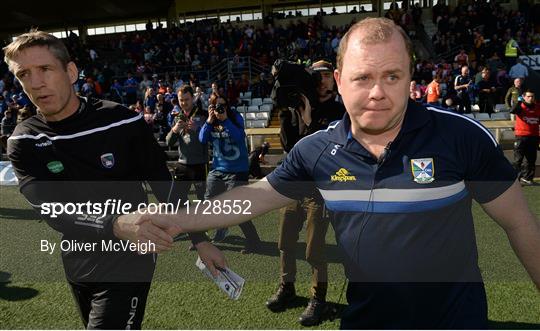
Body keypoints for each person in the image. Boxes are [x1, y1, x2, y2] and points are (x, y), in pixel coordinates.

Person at [141, 18, 540, 329]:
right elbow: (257, 196)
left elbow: (521, 225)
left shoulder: (461, 137)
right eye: (363, 77)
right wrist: (177, 219)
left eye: (392, 76)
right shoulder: (317, 150)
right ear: (338, 79)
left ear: (410, 77)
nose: (377, 92)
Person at [4, 30, 225, 329]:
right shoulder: (24, 140)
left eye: (45, 69)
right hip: (78, 257)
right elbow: (51, 209)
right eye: (24, 74)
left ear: (70, 72)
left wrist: (200, 238)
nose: (36, 82)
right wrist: (114, 224)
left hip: (131, 256)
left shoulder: (122, 121)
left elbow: (163, 183)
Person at [269, 59, 345, 326]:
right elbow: (289, 145)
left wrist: (311, 120)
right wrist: (297, 113)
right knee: (285, 243)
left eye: (326, 75)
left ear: (334, 78)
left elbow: (329, 148)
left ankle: (318, 299)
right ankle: (287, 288)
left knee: (314, 250)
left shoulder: (337, 110)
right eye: (317, 75)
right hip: (292, 187)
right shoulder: (294, 107)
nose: (321, 79)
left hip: (318, 190)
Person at [198, 92, 262, 253]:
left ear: (227, 105)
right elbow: (202, 139)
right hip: (217, 170)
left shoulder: (234, 117)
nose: (220, 108)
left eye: (222, 105)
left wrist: (225, 119)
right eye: (216, 105)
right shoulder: (211, 121)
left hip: (237, 171)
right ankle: (201, 240)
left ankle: (254, 241)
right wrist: (208, 121)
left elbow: (240, 136)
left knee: (236, 209)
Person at [166, 85, 209, 245]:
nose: (183, 103)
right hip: (182, 164)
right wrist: (175, 130)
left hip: (199, 165)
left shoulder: (203, 115)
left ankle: (201, 235)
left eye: (186, 99)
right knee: (173, 201)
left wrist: (199, 130)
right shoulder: (177, 116)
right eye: (181, 100)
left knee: (201, 202)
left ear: (193, 98)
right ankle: (186, 228)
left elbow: (209, 138)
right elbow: (169, 141)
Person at [511, 89, 540, 186]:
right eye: (528, 96)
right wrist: (518, 101)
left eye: (532, 96)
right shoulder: (520, 106)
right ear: (524, 97)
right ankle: (514, 181)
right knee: (518, 160)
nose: (530, 98)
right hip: (521, 137)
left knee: (531, 159)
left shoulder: (537, 107)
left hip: (534, 136)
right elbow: (512, 111)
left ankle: (527, 178)